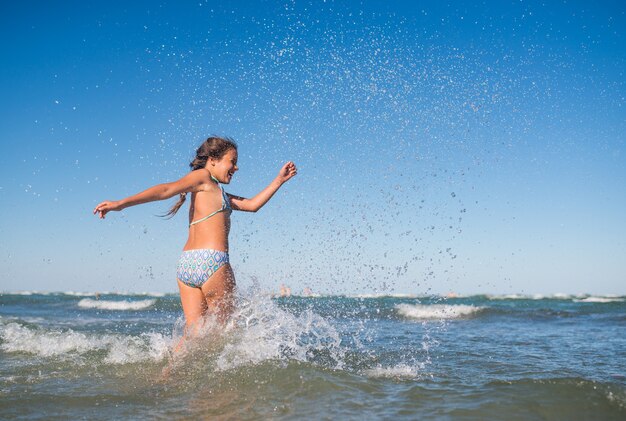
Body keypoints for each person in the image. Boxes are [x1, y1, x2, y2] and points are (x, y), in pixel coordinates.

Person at [94, 136, 297, 335]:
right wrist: (120, 204)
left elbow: (252, 205)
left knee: (193, 335)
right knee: (223, 333)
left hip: (187, 265)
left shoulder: (218, 193)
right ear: (213, 160)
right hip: (213, 262)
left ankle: (167, 371)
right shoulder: (203, 177)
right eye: (232, 162)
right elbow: (166, 189)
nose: (236, 168)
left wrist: (279, 180)